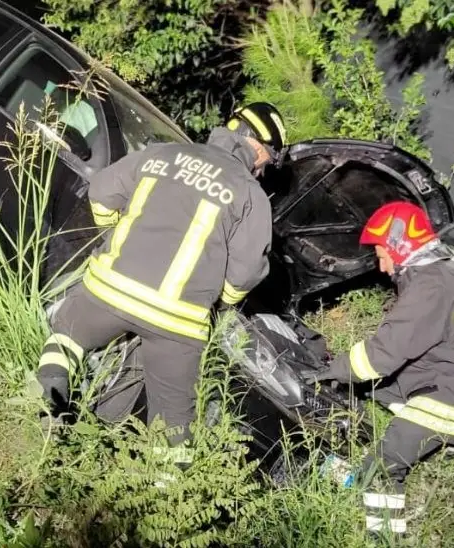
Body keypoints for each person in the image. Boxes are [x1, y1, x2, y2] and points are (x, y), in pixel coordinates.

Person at [35, 102, 286, 459]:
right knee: (173, 429)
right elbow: (245, 274)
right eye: (267, 161)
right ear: (258, 147)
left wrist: (117, 238)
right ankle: (165, 501)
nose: (263, 170)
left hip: (109, 290)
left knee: (65, 339)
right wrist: (222, 301)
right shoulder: (250, 194)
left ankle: (48, 426)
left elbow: (102, 192)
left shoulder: (161, 154)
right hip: (177, 322)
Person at [302, 201, 454, 536]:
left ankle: (383, 537)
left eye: (381, 254)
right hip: (453, 383)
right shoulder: (438, 276)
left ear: (401, 246)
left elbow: (386, 353)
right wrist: (346, 374)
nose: (380, 267)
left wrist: (334, 369)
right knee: (363, 387)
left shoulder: (429, 286)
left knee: (380, 469)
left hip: (449, 397)